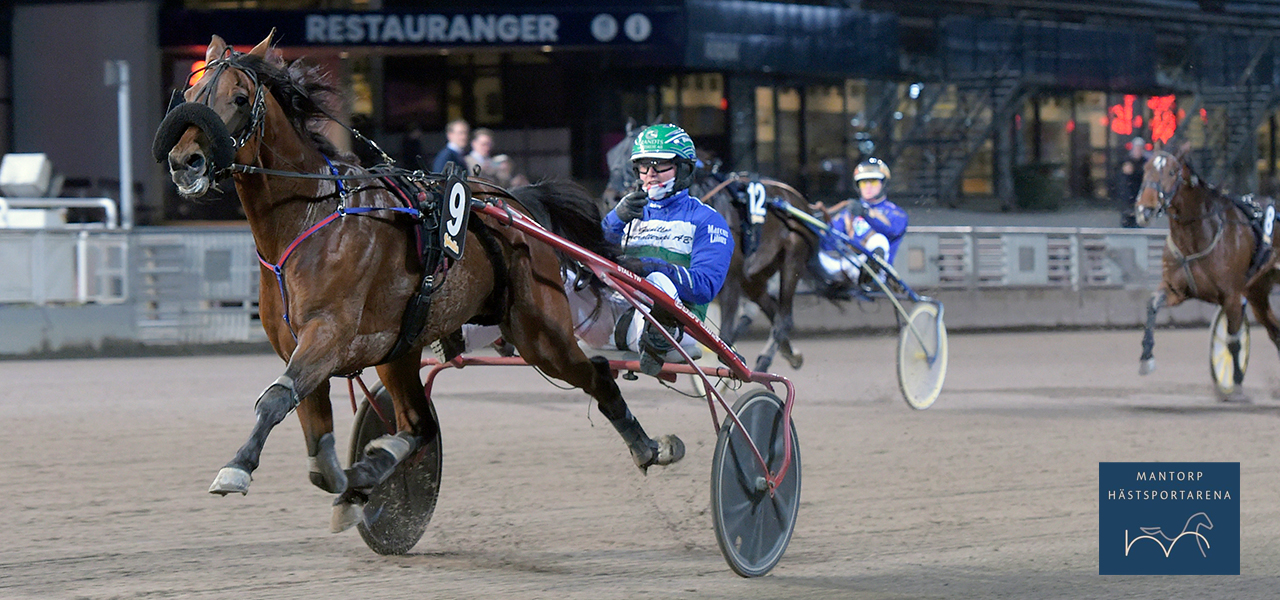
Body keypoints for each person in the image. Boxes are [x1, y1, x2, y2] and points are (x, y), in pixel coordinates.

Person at [599, 124, 734, 374]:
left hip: (680, 330)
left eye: (659, 165)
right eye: (643, 165)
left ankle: (658, 337)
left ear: (683, 169)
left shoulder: (708, 221)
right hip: (614, 321)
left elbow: (705, 286)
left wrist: (649, 267)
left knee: (658, 279)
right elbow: (591, 254)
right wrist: (615, 219)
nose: (650, 174)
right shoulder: (628, 211)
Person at [814, 157, 908, 289]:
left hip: (876, 272)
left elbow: (893, 230)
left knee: (879, 240)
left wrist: (866, 213)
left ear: (884, 183)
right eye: (863, 183)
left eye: (873, 182)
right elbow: (828, 241)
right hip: (846, 267)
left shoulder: (895, 213)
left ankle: (870, 277)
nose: (868, 187)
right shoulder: (848, 212)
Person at [1116, 137, 1147, 228]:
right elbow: (1120, 179)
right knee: (1127, 223)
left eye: (1140, 149)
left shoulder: (1145, 163)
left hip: (1139, 198)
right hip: (1127, 199)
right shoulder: (1126, 161)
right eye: (1137, 148)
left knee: (1139, 223)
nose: (1138, 151)